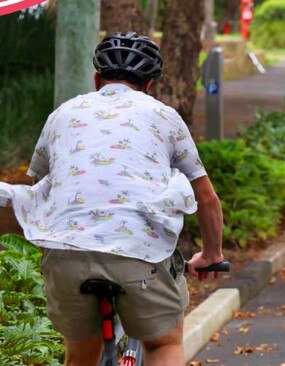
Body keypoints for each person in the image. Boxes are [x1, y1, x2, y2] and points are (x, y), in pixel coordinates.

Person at [0, 32, 224, 366]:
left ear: (96, 79)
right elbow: (206, 199)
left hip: (66, 253)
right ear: (149, 84)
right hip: (141, 253)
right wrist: (211, 253)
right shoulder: (164, 115)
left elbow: (39, 187)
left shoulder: (62, 114)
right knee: (163, 345)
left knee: (80, 356)